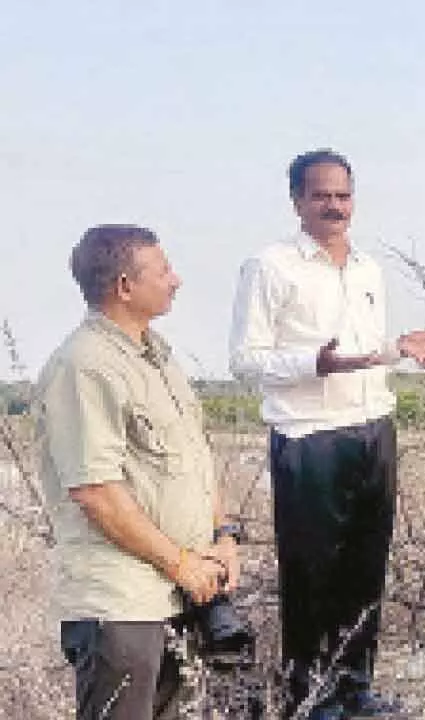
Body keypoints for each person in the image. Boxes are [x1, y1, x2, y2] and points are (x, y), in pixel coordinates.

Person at [229, 149, 425, 718]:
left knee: (365, 568)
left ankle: (354, 688)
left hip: (372, 427)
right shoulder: (270, 266)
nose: (334, 206)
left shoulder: (366, 268)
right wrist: (313, 363)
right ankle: (310, 697)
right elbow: (246, 359)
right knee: (312, 575)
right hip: (310, 436)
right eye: (321, 195)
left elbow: (362, 353)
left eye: (343, 195)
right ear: (297, 201)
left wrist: (399, 348)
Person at [36, 224, 240, 719]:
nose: (177, 280)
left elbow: (194, 460)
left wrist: (223, 537)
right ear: (125, 286)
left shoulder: (157, 357)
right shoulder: (85, 365)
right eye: (164, 270)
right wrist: (181, 564)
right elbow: (96, 492)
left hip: (178, 594)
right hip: (120, 604)